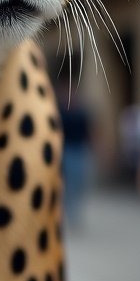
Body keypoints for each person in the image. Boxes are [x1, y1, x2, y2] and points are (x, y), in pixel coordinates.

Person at [55, 75, 93, 228]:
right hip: (66, 150)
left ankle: (74, 213)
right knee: (67, 184)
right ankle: (66, 213)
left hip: (79, 150)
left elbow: (90, 131)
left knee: (78, 183)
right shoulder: (60, 111)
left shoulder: (82, 111)